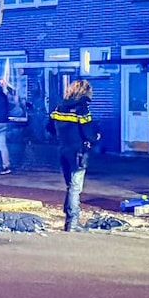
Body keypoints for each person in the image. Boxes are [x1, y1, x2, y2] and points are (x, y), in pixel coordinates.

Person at [46, 79, 100, 232]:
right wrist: (96, 137)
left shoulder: (59, 108)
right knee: (75, 188)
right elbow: (89, 134)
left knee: (70, 186)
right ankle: (72, 222)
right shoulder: (82, 110)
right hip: (78, 153)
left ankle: (69, 217)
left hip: (63, 151)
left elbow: (49, 127)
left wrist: (63, 136)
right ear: (85, 92)